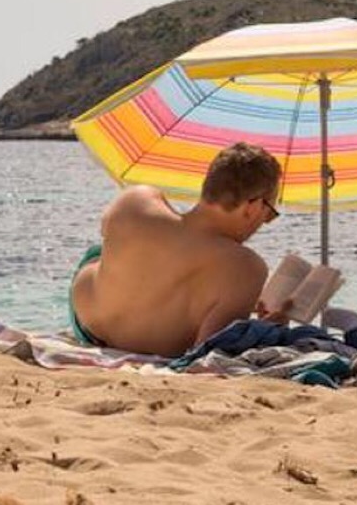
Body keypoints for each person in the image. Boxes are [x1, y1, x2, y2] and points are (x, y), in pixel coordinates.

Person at [69, 142, 283, 357]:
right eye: (269, 214)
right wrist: (265, 329)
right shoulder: (247, 265)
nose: (264, 222)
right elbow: (208, 350)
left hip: (87, 323)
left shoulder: (137, 199)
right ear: (252, 207)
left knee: (102, 251)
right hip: (149, 345)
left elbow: (110, 232)